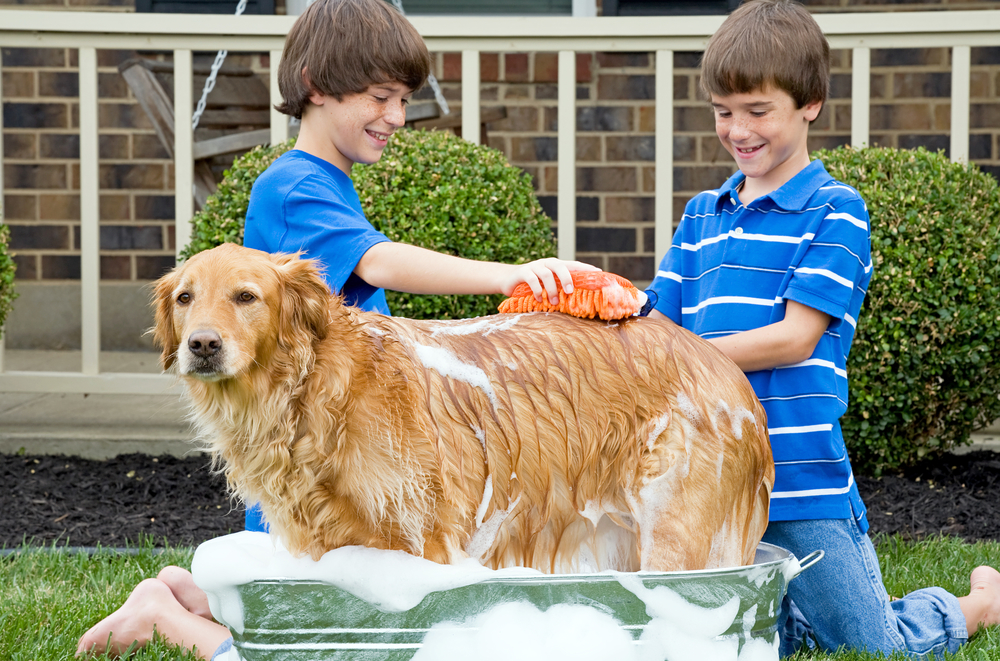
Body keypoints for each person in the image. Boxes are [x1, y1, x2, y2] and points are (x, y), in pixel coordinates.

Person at [77, 0, 597, 658]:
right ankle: (170, 617)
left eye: (404, 99)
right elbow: (378, 259)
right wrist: (508, 276)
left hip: (341, 450)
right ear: (317, 86)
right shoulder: (295, 187)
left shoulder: (327, 181)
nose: (397, 117)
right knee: (320, 637)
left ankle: (180, 592)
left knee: (320, 608)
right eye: (381, 97)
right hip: (315, 467)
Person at [642, 0, 1000, 657]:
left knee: (875, 644)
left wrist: (683, 357)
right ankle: (796, 615)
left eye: (758, 110)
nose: (738, 130)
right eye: (724, 111)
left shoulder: (836, 211)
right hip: (714, 476)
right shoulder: (702, 216)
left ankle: (976, 603)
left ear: (809, 102)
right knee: (749, 641)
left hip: (803, 478)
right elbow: (653, 320)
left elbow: (794, 337)